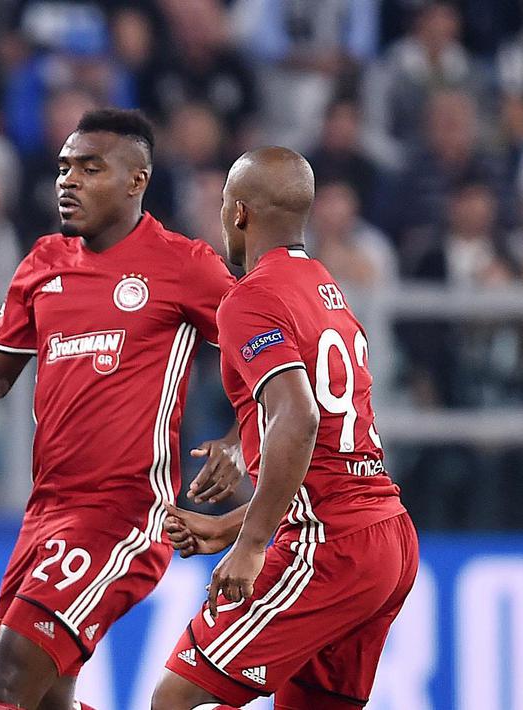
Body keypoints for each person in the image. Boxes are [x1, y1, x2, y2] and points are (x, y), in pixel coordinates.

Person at [0, 108, 243, 710]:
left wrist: (237, 440)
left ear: (137, 180)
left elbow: (269, 359)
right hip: (46, 510)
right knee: (47, 699)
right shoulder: (43, 262)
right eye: (63, 168)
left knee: (7, 681)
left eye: (90, 168)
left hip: (123, 514)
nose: (68, 181)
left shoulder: (183, 264)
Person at [151, 147, 418, 710]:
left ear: (239, 212)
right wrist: (233, 526)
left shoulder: (250, 297)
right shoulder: (325, 289)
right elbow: (330, 464)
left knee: (174, 698)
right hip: (386, 533)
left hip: (329, 547)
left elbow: (298, 417)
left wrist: (251, 546)